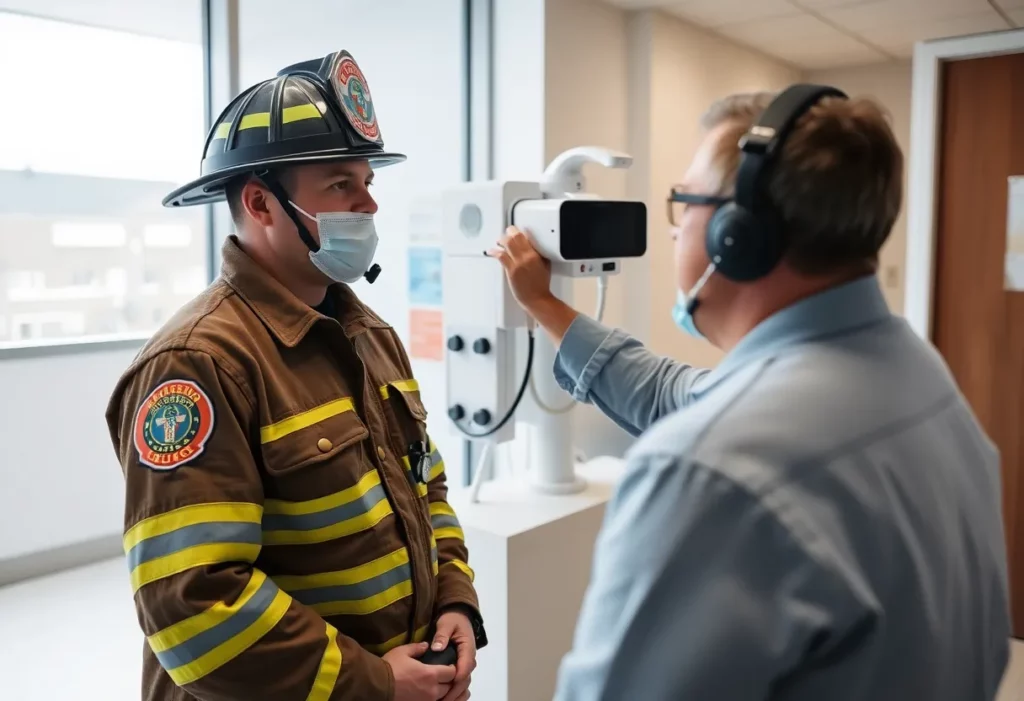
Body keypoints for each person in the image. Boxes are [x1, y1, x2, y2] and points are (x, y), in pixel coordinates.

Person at [489, 85, 1011, 699]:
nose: (676, 233)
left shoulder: (710, 471)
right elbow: (677, 394)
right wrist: (545, 305)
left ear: (737, 234)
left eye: (685, 203)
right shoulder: (918, 375)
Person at [105, 49, 485, 701]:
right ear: (261, 203)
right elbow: (195, 606)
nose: (369, 203)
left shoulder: (370, 335)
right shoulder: (198, 364)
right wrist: (374, 682)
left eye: (367, 180)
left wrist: (455, 599)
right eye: (340, 184)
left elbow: (428, 486)